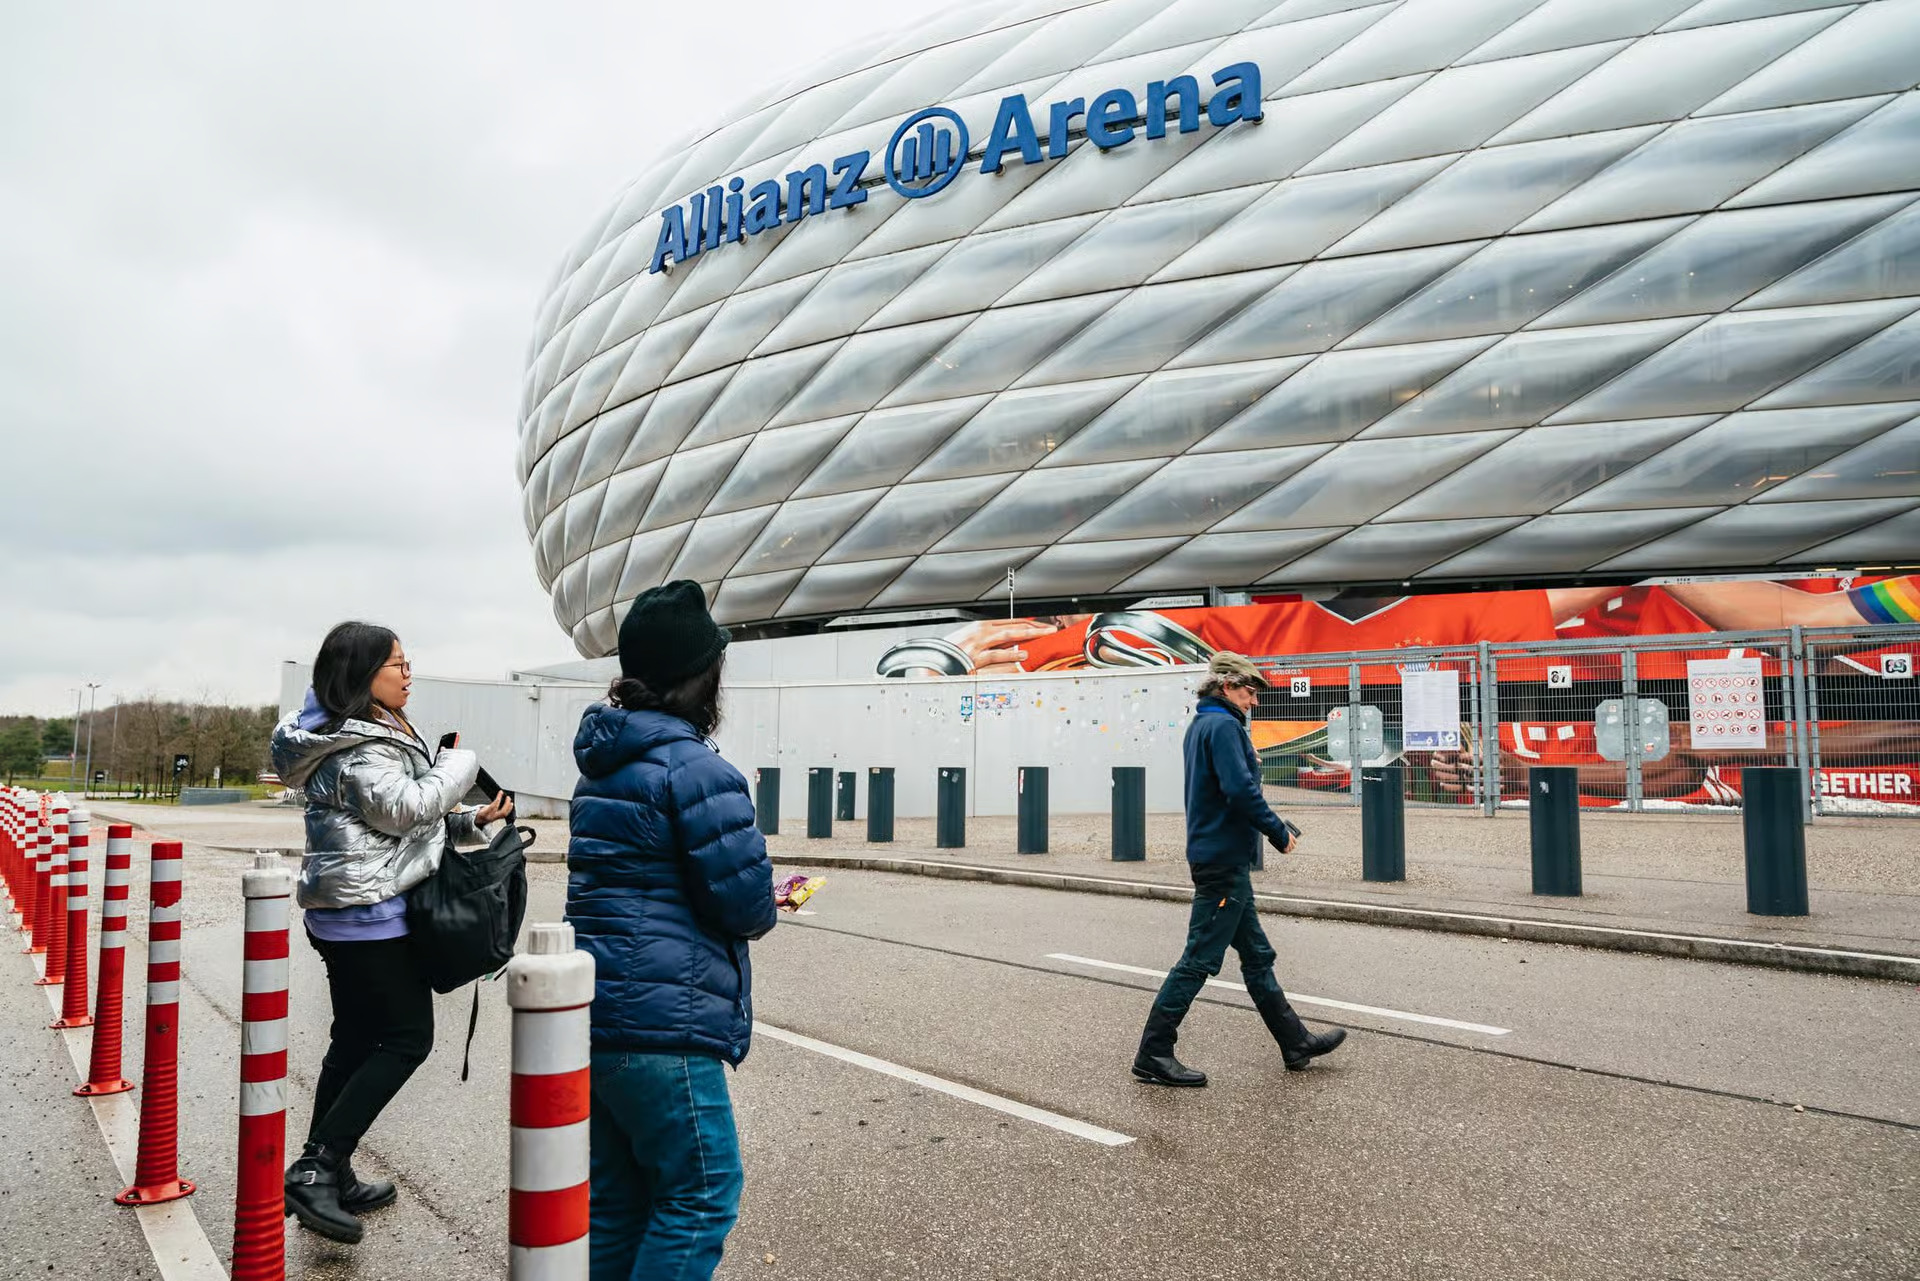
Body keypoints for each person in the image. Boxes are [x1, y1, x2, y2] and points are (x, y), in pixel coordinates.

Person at [270, 622, 512, 1243]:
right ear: (362, 674)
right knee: (406, 1039)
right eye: (397, 665)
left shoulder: (361, 731)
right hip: (368, 917)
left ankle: (331, 1169)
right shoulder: (357, 744)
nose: (409, 675)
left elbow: (392, 826)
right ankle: (317, 1168)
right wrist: (459, 764)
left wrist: (470, 820)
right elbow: (404, 809)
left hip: (354, 910)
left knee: (354, 1040)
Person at [566, 580, 779, 1281]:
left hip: (595, 1017)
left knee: (618, 1205)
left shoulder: (602, 767)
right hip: (665, 1026)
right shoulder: (698, 770)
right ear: (700, 678)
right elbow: (746, 905)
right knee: (702, 1192)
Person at [1133, 652, 1346, 1087]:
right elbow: (1239, 790)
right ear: (1227, 685)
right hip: (1222, 861)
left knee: (1257, 956)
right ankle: (1153, 1052)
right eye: (1250, 691)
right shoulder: (1224, 727)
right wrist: (1277, 831)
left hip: (1222, 857)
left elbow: (1227, 783)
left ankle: (1295, 1041)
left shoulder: (1204, 724)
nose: (1254, 700)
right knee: (1198, 959)